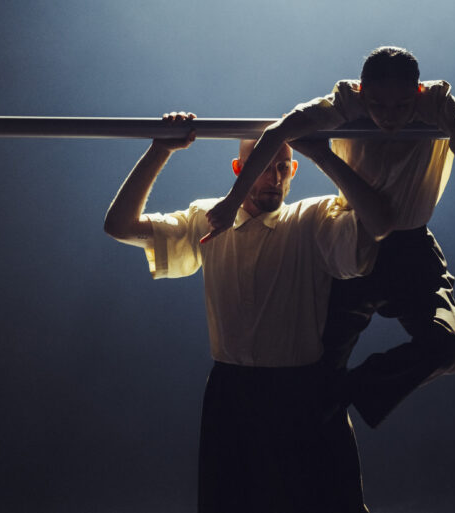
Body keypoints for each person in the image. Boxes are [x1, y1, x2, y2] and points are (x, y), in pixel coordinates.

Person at [202, 46, 455, 429]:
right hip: (354, 242)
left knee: (445, 346)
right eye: (378, 104)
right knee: (315, 368)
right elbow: (278, 130)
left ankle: (345, 392)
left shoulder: (437, 103)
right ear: (363, 93)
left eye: (400, 106)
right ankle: (310, 428)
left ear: (417, 93)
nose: (388, 115)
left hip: (412, 249)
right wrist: (232, 201)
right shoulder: (345, 102)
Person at [103, 111, 388, 513]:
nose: (273, 178)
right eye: (263, 167)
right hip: (232, 392)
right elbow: (118, 225)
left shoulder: (313, 218)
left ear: (293, 172)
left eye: (282, 168)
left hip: (301, 392)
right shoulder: (207, 217)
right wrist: (159, 149)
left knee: (323, 503)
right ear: (240, 169)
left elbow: (379, 227)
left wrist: (323, 155)